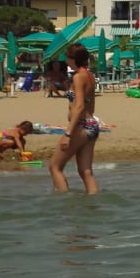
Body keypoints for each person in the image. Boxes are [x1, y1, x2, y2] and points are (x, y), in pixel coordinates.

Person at [49, 43, 100, 194]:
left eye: (67, 56)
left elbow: (79, 106)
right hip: (92, 125)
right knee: (86, 172)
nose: (65, 60)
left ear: (73, 59)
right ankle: (93, 203)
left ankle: (63, 204)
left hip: (81, 126)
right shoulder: (89, 76)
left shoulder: (78, 77)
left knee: (55, 167)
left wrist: (68, 134)